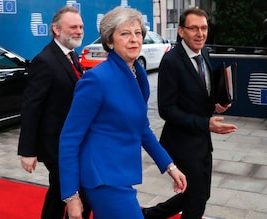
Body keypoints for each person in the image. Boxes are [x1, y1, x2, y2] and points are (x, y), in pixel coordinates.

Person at [58, 6, 187, 219]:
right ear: (110, 41)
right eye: (125, 34)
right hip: (102, 175)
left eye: (138, 33)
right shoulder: (96, 79)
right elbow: (70, 138)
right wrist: (71, 196)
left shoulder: (138, 74)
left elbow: (141, 127)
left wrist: (169, 166)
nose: (134, 39)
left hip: (121, 172)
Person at [142, 7, 237, 219]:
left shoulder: (204, 52)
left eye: (204, 28)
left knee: (201, 193)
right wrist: (206, 123)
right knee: (197, 199)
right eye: (193, 28)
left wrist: (217, 104)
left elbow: (202, 91)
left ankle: (150, 215)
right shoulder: (171, 62)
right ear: (181, 31)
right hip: (181, 143)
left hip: (202, 140)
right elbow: (166, 110)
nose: (200, 33)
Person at [17, 6, 91, 219]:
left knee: (60, 191)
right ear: (57, 30)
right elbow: (31, 107)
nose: (79, 31)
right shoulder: (45, 60)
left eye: (81, 27)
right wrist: (28, 151)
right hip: (55, 145)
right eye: (74, 27)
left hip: (72, 141)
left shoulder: (72, 55)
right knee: (71, 190)